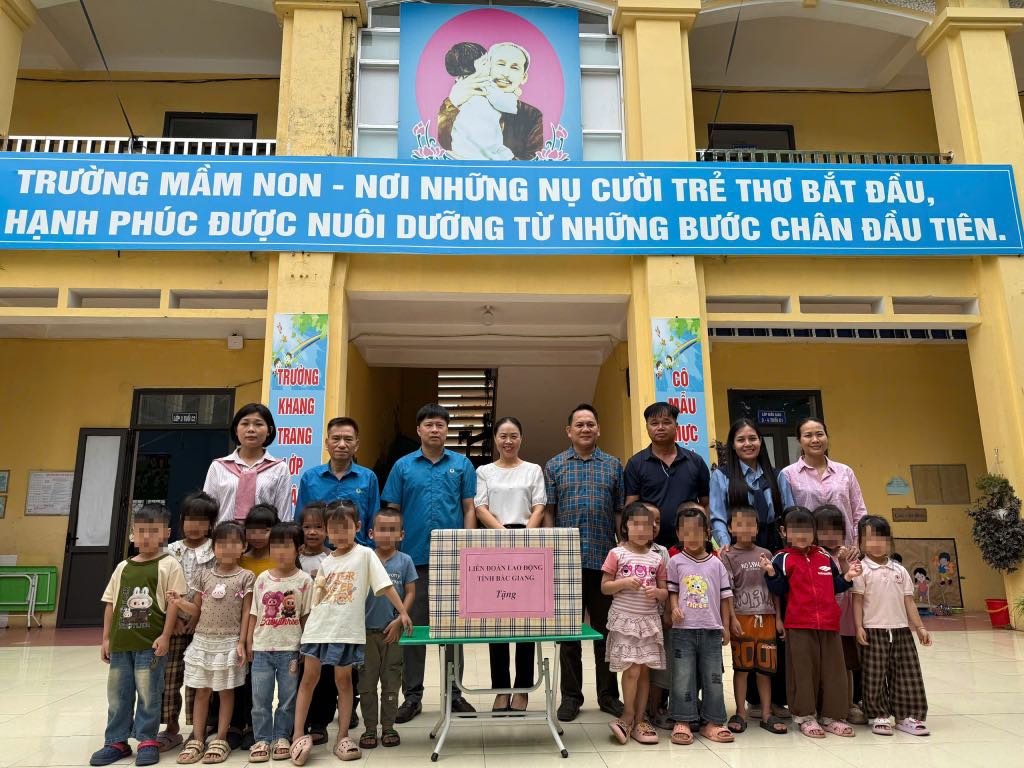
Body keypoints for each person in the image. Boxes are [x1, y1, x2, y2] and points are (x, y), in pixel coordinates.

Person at [288, 500, 413, 765]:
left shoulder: (365, 555)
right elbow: (316, 599)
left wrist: (402, 612)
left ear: (357, 527)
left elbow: (385, 586)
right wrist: (304, 631)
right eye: (332, 529)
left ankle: (343, 736)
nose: (338, 534)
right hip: (318, 630)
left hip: (346, 630)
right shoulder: (326, 562)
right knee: (308, 680)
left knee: (344, 682)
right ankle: (298, 735)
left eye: (344, 528)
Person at [382, 404, 477, 722]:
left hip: (452, 560)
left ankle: (455, 693)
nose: (435, 429)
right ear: (419, 430)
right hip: (413, 560)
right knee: (412, 626)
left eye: (440, 425)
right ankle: (412, 696)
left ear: (446, 430)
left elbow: (468, 508)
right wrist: (392, 552)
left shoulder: (462, 464)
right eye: (429, 425)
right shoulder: (403, 466)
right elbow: (392, 510)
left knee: (454, 628)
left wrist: (469, 547)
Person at [544, 403, 624, 722]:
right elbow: (549, 511)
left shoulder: (613, 465)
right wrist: (551, 550)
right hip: (567, 562)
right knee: (569, 634)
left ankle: (607, 694)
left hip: (605, 560)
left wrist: (624, 552)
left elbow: (619, 512)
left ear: (598, 429)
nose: (585, 429)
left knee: (607, 632)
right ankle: (571, 697)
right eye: (579, 424)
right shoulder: (555, 465)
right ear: (569, 431)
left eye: (591, 424)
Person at [90, 503, 186, 767]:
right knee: (118, 693)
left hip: (150, 645)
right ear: (132, 534)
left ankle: (146, 739)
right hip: (122, 644)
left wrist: (166, 636)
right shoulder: (123, 566)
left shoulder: (169, 565)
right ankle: (116, 741)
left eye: (153, 531)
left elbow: (174, 605)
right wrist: (106, 639)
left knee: (149, 693)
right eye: (141, 531)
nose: (146, 537)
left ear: (165, 533)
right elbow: (111, 603)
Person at [762, 506, 862, 739]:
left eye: (807, 529)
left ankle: (832, 716)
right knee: (802, 672)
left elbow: (835, 585)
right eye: (795, 530)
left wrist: (848, 577)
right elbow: (780, 590)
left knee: (833, 671)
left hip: (829, 623)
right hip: (798, 624)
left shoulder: (825, 556)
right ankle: (805, 716)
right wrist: (770, 573)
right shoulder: (782, 558)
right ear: (784, 531)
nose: (802, 534)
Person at [474, 416, 546, 712]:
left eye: (513, 435)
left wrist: (526, 535)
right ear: (495, 439)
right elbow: (480, 507)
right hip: (495, 542)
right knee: (498, 621)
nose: (508, 441)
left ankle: (523, 689)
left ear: (521, 439)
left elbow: (539, 504)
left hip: (527, 542)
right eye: (502, 436)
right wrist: (503, 534)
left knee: (526, 620)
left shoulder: (533, 470)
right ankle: (501, 688)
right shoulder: (484, 471)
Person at [171, 521, 256, 765]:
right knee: (201, 692)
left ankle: (220, 738)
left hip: (229, 642)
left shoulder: (246, 577)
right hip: (203, 641)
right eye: (221, 544)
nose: (227, 549)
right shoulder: (203, 575)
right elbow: (196, 608)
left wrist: (242, 642)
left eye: (233, 543)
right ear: (213, 547)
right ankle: (197, 738)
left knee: (226, 692)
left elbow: (247, 612)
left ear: (243, 546)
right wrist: (179, 602)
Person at [853, 515, 932, 737]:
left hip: (901, 631)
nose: (876, 544)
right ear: (860, 542)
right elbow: (857, 600)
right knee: (874, 675)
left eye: (881, 538)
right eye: (870, 539)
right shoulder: (861, 569)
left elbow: (909, 601)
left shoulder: (900, 570)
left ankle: (908, 715)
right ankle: (879, 714)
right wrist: (858, 626)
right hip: (873, 630)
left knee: (908, 673)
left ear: (889, 541)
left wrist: (920, 627)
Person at [666, 505, 735, 746]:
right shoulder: (675, 562)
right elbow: (672, 590)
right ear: (678, 534)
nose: (692, 537)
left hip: (711, 631)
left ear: (707, 534)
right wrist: (674, 607)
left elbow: (725, 597)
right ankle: (682, 720)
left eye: (697, 532)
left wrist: (725, 626)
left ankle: (713, 722)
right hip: (683, 631)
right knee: (683, 676)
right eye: (686, 532)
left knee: (713, 677)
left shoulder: (716, 564)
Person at [601, 502, 668, 745]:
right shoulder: (616, 554)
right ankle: (626, 715)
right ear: (625, 527)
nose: (641, 529)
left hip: (649, 622)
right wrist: (623, 583)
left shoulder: (656, 558)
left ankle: (640, 719)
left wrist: (657, 594)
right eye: (635, 524)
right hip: (625, 622)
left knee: (644, 673)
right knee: (632, 670)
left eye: (647, 525)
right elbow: (605, 587)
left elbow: (664, 591)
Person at [247, 522, 313, 762]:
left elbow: (306, 615)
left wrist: (306, 646)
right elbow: (254, 612)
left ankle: (282, 736)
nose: (280, 552)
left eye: (286, 546)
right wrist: (247, 642)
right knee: (260, 698)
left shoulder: (304, 580)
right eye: (275, 546)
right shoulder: (262, 578)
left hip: (290, 649)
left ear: (299, 550)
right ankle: (262, 739)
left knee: (287, 697)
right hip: (262, 648)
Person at [159, 493, 218, 753]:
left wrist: (195, 617)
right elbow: (163, 588)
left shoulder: (216, 551)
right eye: (189, 519)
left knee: (199, 677)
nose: (194, 525)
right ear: (181, 520)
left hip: (203, 624)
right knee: (170, 678)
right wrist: (171, 624)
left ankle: (198, 728)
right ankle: (170, 727)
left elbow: (215, 586)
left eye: (202, 520)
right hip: (172, 623)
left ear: (211, 524)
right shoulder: (170, 551)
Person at [720, 506, 786, 735]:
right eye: (739, 524)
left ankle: (767, 713)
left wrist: (778, 618)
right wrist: (730, 620)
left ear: (757, 528)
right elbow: (726, 591)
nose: (746, 528)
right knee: (742, 668)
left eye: (751, 524)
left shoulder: (766, 553)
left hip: (766, 618)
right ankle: (740, 712)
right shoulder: (727, 556)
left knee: (765, 670)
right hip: (742, 619)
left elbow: (775, 588)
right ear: (730, 528)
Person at [358, 508, 417, 749]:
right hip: (365, 633)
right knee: (367, 683)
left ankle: (389, 726)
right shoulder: (364, 559)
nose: (386, 534)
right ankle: (370, 728)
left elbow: (411, 592)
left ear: (401, 535)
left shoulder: (405, 561)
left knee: (391, 680)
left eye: (392, 530)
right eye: (382, 529)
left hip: (393, 631)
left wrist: (399, 620)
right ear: (371, 533)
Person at [437, 41, 543, 160]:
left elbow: (533, 160)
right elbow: (443, 141)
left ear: (523, 77)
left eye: (514, 67)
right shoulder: (456, 99)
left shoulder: (532, 115)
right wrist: (452, 102)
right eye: (500, 64)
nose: (505, 74)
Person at [625, 402, 711, 549]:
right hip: (649, 546)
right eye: (654, 423)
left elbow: (706, 502)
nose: (660, 427)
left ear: (676, 426)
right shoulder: (635, 463)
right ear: (647, 427)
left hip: (689, 544)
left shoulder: (695, 461)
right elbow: (631, 505)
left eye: (666, 422)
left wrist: (706, 533)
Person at [813, 504, 865, 724]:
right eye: (824, 531)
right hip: (824, 621)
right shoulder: (815, 556)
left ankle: (851, 703)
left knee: (848, 665)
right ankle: (824, 704)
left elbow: (849, 581)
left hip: (846, 622)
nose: (831, 537)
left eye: (836, 531)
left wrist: (844, 560)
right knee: (825, 665)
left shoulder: (849, 556)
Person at [710, 418, 795, 551]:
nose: (748, 444)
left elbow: (790, 514)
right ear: (732, 445)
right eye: (741, 440)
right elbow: (718, 517)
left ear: (760, 441)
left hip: (775, 548)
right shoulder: (721, 476)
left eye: (753, 438)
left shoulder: (777, 476)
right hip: (737, 550)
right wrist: (725, 545)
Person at [782, 418, 867, 547]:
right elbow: (790, 518)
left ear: (827, 437)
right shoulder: (788, 474)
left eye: (820, 434)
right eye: (808, 435)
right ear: (799, 440)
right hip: (808, 552)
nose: (815, 440)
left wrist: (856, 543)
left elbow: (859, 511)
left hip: (846, 550)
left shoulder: (845, 471)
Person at [296, 417, 380, 547]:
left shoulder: (368, 478)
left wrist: (369, 552)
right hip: (318, 555)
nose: (341, 445)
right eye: (336, 439)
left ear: (356, 445)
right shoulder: (310, 478)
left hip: (357, 555)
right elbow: (300, 520)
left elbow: (374, 521)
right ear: (326, 443)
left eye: (348, 439)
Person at [204, 404, 291, 523]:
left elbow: (284, 514)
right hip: (224, 539)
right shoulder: (218, 467)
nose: (251, 429)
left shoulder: (280, 468)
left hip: (265, 539)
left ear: (269, 431)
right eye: (245, 424)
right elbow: (207, 513)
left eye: (258, 424)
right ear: (236, 429)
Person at [444, 42, 518, 160]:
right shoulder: (485, 83)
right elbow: (509, 106)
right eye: (485, 62)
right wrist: (513, 95)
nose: (490, 65)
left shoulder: (458, 85)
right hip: (484, 146)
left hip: (461, 147)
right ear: (470, 69)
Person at [297, 502, 330, 578]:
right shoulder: (295, 556)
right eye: (307, 527)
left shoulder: (331, 557)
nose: (312, 532)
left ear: (328, 529)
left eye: (318, 527)